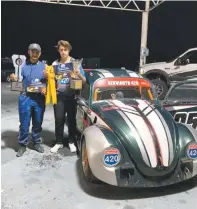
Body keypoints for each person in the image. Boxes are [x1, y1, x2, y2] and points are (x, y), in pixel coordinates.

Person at [48, 40, 86, 153]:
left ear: (69, 50)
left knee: (71, 120)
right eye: (61, 50)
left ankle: (71, 142)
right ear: (58, 51)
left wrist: (78, 74)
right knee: (59, 120)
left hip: (71, 96)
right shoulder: (55, 64)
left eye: (65, 50)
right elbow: (51, 81)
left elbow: (84, 82)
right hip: (59, 96)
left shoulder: (75, 63)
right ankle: (59, 142)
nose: (63, 52)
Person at [10, 43, 47, 157]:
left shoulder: (45, 67)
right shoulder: (21, 66)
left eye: (37, 52)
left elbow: (49, 83)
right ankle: (22, 144)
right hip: (25, 97)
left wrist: (45, 87)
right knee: (24, 122)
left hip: (39, 99)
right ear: (28, 52)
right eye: (33, 51)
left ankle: (36, 142)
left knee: (37, 122)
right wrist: (13, 79)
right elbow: (17, 82)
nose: (35, 54)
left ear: (40, 54)